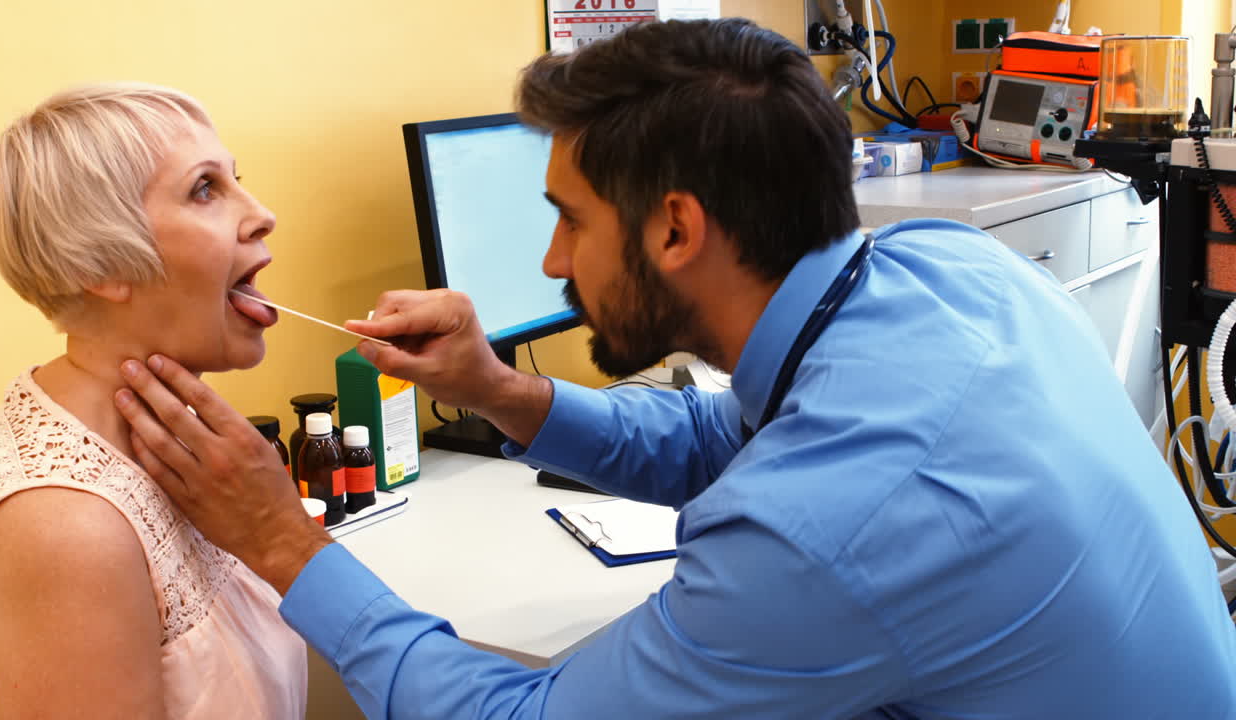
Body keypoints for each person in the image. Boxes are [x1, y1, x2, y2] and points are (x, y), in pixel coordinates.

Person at [115, 19, 1236, 719]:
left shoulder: (816, 534)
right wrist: (498, 390)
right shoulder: (938, 271)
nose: (550, 261)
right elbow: (729, 442)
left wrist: (278, 542)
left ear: (673, 230)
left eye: (565, 220)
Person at [0, 84, 307, 718]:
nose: (261, 213)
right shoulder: (66, 530)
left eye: (236, 179)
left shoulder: (188, 448)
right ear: (100, 264)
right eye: (206, 189)